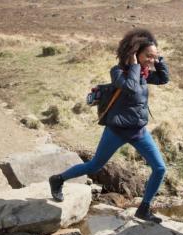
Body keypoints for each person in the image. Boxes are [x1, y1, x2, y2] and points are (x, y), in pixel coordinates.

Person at [49, 28, 170, 223]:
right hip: (117, 131)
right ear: (134, 54)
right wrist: (134, 66)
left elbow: (164, 79)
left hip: (138, 131)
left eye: (154, 57)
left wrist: (159, 61)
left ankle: (144, 208)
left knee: (160, 168)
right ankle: (58, 179)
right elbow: (130, 88)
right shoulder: (118, 72)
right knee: (96, 165)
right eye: (148, 56)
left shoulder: (144, 73)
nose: (151, 61)